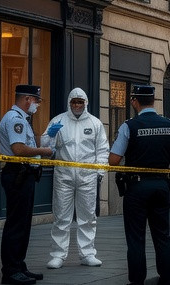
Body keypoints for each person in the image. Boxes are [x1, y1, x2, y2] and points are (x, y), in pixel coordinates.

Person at [109, 84, 170, 285]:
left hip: (137, 188)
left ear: (134, 101)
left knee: (136, 238)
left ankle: (137, 281)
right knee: (162, 236)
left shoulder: (129, 126)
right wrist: (161, 157)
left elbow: (114, 160)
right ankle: (167, 279)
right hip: (161, 186)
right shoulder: (169, 124)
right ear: (153, 100)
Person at [41, 87, 109, 270]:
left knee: (87, 217)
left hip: (88, 176)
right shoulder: (58, 121)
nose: (77, 105)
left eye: (80, 102)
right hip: (63, 174)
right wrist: (51, 135)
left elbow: (102, 149)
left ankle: (87, 253)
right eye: (74, 102)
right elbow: (45, 146)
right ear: (69, 103)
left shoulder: (95, 123)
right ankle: (57, 255)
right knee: (61, 216)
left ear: (85, 103)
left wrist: (99, 173)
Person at [0, 83, 53, 285]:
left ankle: (19, 265)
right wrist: (43, 151)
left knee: (23, 224)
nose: (37, 105)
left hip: (24, 175)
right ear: (27, 99)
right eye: (36, 101)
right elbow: (19, 149)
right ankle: (11, 271)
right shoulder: (15, 120)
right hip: (17, 174)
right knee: (16, 225)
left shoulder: (22, 119)